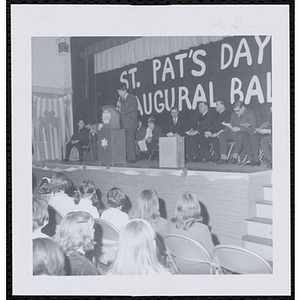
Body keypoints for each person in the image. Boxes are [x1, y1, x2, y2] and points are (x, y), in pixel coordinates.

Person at [166, 191, 214, 256]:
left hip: (177, 263)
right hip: (199, 265)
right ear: (197, 208)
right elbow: (212, 254)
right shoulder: (203, 228)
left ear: (178, 209)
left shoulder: (170, 225)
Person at [54, 211, 100, 276]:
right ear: (84, 234)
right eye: (92, 228)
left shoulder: (54, 252)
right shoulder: (85, 266)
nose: (94, 230)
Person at [215, 101, 256, 165]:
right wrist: (222, 130)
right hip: (235, 134)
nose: (237, 112)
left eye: (238, 110)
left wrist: (239, 129)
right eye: (235, 111)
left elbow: (252, 127)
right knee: (222, 135)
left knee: (240, 135)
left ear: (242, 107)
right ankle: (223, 158)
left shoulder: (250, 113)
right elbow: (231, 125)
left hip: (246, 135)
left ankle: (234, 157)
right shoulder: (233, 114)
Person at [99, 188, 130, 266]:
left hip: (102, 250)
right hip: (117, 251)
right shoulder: (124, 216)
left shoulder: (104, 214)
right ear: (122, 202)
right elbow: (127, 236)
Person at [116, 83, 138, 164]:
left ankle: (132, 158)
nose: (119, 94)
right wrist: (118, 107)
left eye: (120, 92)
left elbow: (131, 108)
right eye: (118, 92)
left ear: (125, 90)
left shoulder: (132, 98)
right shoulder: (120, 100)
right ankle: (127, 157)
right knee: (125, 141)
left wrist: (120, 112)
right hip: (124, 123)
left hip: (131, 123)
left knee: (130, 141)